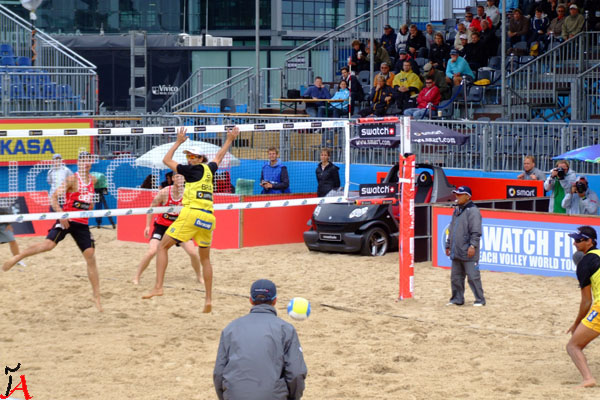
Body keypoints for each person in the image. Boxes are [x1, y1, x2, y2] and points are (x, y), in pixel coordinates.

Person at [142, 126, 240, 313]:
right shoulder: (210, 169)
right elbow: (218, 157)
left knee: (162, 246)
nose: (189, 159)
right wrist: (229, 139)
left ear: (200, 158)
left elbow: (166, 160)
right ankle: (208, 299)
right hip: (208, 217)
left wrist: (178, 142)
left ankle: (158, 287)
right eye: (188, 156)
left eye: (193, 156)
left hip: (192, 213)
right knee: (205, 259)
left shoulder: (190, 171)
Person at [3, 151, 102, 311]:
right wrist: (61, 214)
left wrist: (89, 206)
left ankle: (96, 296)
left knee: (90, 256)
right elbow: (54, 197)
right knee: (48, 245)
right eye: (83, 161)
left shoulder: (93, 180)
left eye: (89, 161)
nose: (86, 163)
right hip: (67, 219)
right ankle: (18, 257)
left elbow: (88, 201)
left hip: (82, 223)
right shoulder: (72, 179)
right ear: (79, 163)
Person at [213, 279, 307, 400]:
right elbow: (296, 373)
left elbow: (218, 373)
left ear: (251, 300)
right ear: (275, 301)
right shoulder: (286, 329)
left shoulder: (230, 328)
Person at [133, 172, 202, 285]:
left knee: (193, 252)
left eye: (182, 177)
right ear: (173, 178)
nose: (180, 179)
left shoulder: (188, 193)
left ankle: (199, 276)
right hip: (162, 226)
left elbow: (195, 210)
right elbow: (151, 207)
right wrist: (147, 226)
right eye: (178, 177)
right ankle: (137, 276)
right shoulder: (165, 192)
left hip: (179, 227)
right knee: (152, 251)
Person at [566, 226, 600, 388]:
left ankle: (588, 379)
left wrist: (577, 322)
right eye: (574, 240)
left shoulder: (585, 263)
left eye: (578, 240)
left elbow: (586, 301)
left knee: (573, 346)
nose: (574, 244)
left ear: (590, 242)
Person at [445, 186, 486, 306]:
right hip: (456, 250)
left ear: (467, 196)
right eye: (456, 194)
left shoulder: (473, 211)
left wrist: (473, 246)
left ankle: (480, 299)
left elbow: (476, 231)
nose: (457, 197)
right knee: (456, 278)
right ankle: (457, 299)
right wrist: (448, 244)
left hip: (468, 250)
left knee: (473, 277)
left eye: (459, 194)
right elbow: (451, 229)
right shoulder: (457, 210)